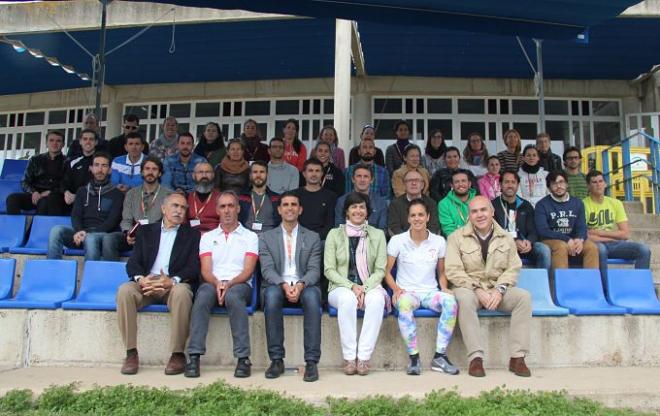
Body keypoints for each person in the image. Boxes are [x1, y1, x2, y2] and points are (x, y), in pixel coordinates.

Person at [446, 196, 532, 378]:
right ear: (469, 215)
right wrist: (477, 290)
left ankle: (518, 358)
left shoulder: (506, 237)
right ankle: (475, 358)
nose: (479, 215)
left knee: (523, 297)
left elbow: (513, 267)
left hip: (496, 289)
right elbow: (453, 271)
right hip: (470, 289)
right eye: (474, 211)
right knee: (463, 299)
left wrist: (499, 290)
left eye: (483, 210)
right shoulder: (456, 238)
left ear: (492, 212)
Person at [116, 193, 200, 375]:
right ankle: (131, 353)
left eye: (183, 208)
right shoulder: (146, 231)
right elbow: (133, 263)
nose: (179, 211)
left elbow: (194, 267)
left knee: (183, 293)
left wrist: (172, 281)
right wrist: (141, 279)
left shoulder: (192, 235)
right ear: (163, 209)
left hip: (172, 284)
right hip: (147, 283)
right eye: (175, 206)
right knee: (124, 291)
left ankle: (177, 354)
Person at [185, 191, 259, 378]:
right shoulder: (208, 237)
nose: (227, 211)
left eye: (231, 206)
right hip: (213, 282)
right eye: (223, 206)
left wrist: (229, 283)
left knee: (234, 297)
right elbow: (206, 271)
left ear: (238, 209)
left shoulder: (250, 237)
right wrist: (218, 283)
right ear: (217, 210)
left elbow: (248, 270)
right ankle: (194, 356)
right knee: (202, 297)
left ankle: (243, 359)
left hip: (240, 284)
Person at [385, 199, 459, 376]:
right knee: (403, 304)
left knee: (451, 302)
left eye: (421, 214)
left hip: (430, 293)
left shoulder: (439, 241)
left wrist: (444, 288)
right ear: (408, 218)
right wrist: (396, 289)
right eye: (413, 215)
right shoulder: (397, 241)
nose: (417, 218)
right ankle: (414, 358)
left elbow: (441, 272)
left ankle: (439, 356)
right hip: (407, 293)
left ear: (428, 217)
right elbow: (386, 272)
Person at [259, 191, 322, 382]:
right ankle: (277, 359)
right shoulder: (266, 237)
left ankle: (311, 362)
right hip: (276, 284)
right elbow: (267, 270)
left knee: (312, 298)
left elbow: (313, 270)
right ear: (279, 210)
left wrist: (301, 284)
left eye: (294, 204)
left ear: (300, 209)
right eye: (285, 205)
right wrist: (284, 284)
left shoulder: (312, 237)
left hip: (305, 283)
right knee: (271, 297)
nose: (289, 208)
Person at [325, 192, 387, 376]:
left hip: (369, 285)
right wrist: (352, 287)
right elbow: (329, 270)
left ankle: (364, 358)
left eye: (362, 207)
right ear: (346, 212)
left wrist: (364, 288)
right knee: (347, 299)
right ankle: (350, 358)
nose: (358, 210)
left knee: (377, 300)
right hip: (340, 288)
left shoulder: (377, 235)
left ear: (367, 212)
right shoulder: (334, 234)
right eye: (354, 207)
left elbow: (380, 270)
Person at [47, 152, 124, 260]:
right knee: (56, 230)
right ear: (91, 168)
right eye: (96, 165)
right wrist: (80, 232)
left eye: (104, 165)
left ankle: (91, 275)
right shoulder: (82, 191)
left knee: (90, 238)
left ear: (110, 170)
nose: (100, 169)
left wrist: (86, 233)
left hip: (104, 236)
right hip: (81, 234)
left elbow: (112, 222)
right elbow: (76, 216)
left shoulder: (117, 194)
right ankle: (52, 270)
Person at [584, 170, 651, 285]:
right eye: (594, 182)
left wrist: (600, 232)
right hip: (595, 244)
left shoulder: (615, 203)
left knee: (643, 250)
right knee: (601, 250)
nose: (598, 185)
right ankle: (604, 290)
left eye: (601, 181)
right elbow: (586, 236)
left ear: (605, 184)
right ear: (588, 186)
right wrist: (612, 237)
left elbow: (625, 234)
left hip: (614, 244)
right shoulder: (582, 204)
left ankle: (640, 288)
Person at [103, 157, 172, 261]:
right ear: (142, 172)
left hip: (156, 236)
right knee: (109, 239)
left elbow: (169, 222)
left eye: (154, 169)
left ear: (160, 173)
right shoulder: (131, 194)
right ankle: (111, 273)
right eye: (147, 169)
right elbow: (126, 220)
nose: (150, 172)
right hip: (134, 235)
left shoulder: (168, 195)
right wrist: (129, 234)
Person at [534, 171, 599, 270]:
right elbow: (542, 230)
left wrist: (580, 239)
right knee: (561, 246)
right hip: (549, 240)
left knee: (592, 247)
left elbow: (581, 226)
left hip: (573, 239)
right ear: (549, 187)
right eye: (554, 184)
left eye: (561, 182)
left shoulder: (577, 203)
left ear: (567, 184)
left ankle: (590, 284)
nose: (558, 186)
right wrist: (566, 239)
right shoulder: (542, 205)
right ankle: (561, 284)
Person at [493, 171, 551, 270]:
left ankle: (541, 284)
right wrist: (513, 242)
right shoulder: (493, 205)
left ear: (518, 185)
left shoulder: (526, 205)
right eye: (506, 182)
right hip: (503, 245)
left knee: (544, 250)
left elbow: (533, 230)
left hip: (525, 245)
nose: (510, 185)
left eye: (513, 182)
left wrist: (529, 241)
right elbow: (493, 232)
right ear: (500, 185)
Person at [6, 131, 67, 215]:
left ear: (63, 144)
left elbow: (67, 184)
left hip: (54, 197)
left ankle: (38, 228)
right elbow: (25, 181)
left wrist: (51, 192)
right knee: (12, 199)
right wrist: (33, 192)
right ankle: (14, 227)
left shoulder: (67, 162)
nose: (54, 143)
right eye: (51, 140)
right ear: (46, 143)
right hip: (35, 195)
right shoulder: (35, 159)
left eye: (58, 141)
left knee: (44, 203)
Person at [335, 164, 388, 231]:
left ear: (371, 180)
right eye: (359, 176)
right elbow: (339, 227)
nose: (362, 180)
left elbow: (382, 229)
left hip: (373, 240)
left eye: (366, 176)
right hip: (347, 239)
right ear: (353, 179)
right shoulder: (342, 201)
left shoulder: (381, 202)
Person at [388, 169, 440, 236]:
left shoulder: (431, 203)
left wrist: (421, 239)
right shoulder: (395, 204)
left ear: (422, 185)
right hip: (403, 242)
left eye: (417, 180)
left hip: (427, 242)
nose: (414, 183)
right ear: (404, 184)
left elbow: (434, 227)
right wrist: (409, 240)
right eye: (410, 180)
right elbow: (394, 227)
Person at [295, 159, 337, 240]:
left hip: (321, 240)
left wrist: (315, 238)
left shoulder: (331, 196)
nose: (314, 174)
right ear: (304, 174)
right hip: (298, 239)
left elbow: (330, 224)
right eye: (310, 171)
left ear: (322, 174)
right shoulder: (294, 195)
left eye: (317, 171)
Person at [60, 129, 99, 213]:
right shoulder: (72, 162)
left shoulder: (103, 161)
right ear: (80, 142)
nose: (88, 142)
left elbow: (103, 186)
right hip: (73, 200)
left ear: (96, 142)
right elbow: (64, 182)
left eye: (91, 139)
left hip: (94, 199)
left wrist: (78, 196)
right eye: (85, 139)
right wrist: (66, 192)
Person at [239, 161, 281, 234]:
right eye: (255, 172)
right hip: (246, 238)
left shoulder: (277, 198)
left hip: (270, 238)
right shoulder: (241, 197)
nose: (258, 175)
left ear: (267, 174)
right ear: (250, 175)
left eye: (262, 172)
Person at [438, 170, 477, 237]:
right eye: (457, 182)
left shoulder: (479, 201)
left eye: (463, 181)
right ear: (452, 185)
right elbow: (448, 230)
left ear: (469, 184)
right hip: (455, 243)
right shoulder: (444, 204)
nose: (460, 184)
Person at [187, 162, 221, 233]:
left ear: (213, 175)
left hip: (214, 237)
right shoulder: (186, 197)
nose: (204, 175)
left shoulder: (221, 198)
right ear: (193, 176)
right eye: (200, 172)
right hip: (191, 236)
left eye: (208, 172)